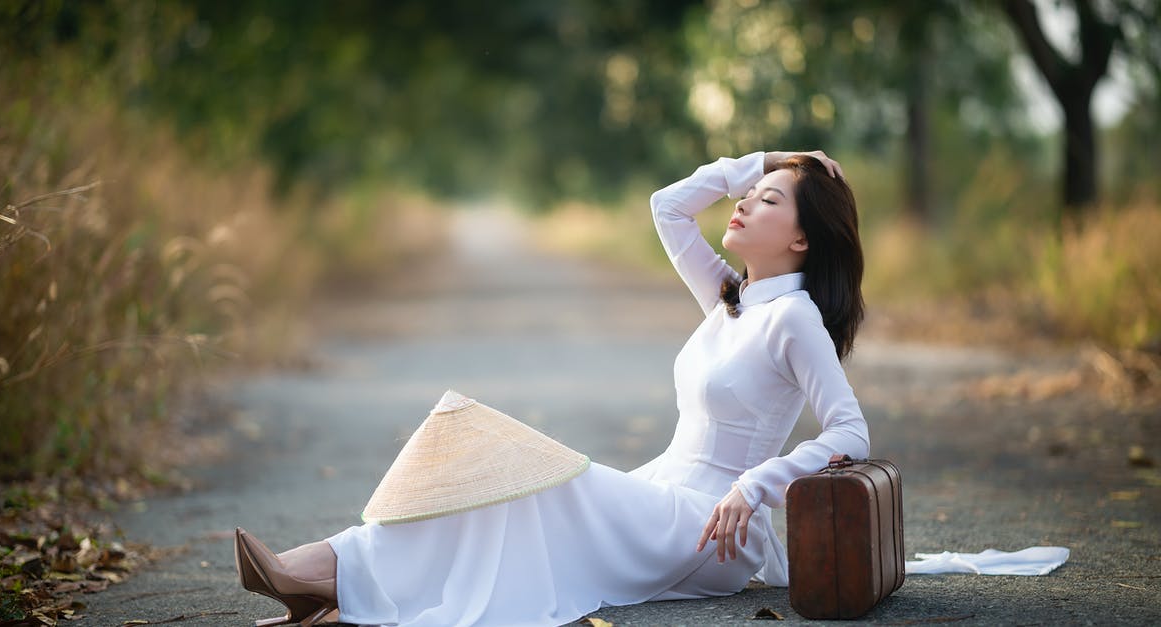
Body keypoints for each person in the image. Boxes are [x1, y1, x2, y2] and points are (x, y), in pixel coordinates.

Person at [233, 149, 871, 626]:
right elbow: (667, 207)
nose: (742, 201)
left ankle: (324, 575)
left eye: (766, 200)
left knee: (527, 466)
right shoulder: (731, 300)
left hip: (709, 530)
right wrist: (764, 163)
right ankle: (335, 581)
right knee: (504, 484)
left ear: (801, 238)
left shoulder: (794, 317)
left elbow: (850, 431)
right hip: (658, 499)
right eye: (747, 192)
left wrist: (752, 486)